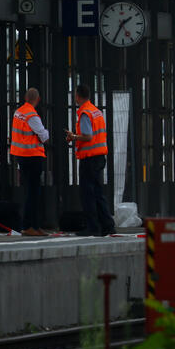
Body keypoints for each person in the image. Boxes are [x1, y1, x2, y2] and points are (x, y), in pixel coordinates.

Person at [65, 84, 115, 237]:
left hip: (89, 158)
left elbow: (88, 136)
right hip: (99, 156)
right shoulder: (96, 111)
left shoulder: (85, 113)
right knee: (98, 193)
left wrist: (73, 137)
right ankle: (108, 225)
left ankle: (92, 227)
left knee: (87, 194)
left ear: (78, 96)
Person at [10, 88, 51, 237]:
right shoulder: (32, 115)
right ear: (38, 99)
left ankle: (32, 225)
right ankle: (30, 225)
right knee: (34, 193)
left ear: (25, 97)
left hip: (21, 156)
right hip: (32, 156)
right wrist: (46, 133)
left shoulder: (18, 112)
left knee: (29, 191)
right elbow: (44, 136)